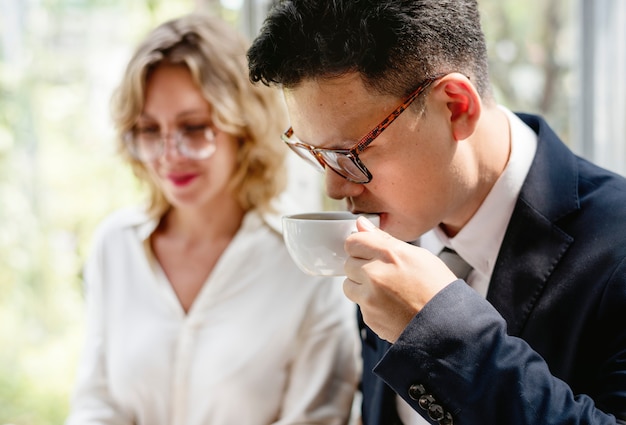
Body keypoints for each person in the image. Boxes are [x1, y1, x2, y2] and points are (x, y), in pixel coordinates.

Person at [246, 1, 626, 424]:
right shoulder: (393, 225)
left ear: (456, 106)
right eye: (317, 153)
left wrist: (439, 330)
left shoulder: (617, 248)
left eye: (350, 153)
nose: (335, 187)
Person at [66, 13, 359, 425]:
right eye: (150, 130)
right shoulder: (115, 245)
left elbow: (316, 419)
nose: (169, 154)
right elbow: (96, 406)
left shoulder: (307, 263)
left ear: (244, 127)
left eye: (193, 127)